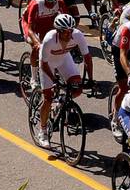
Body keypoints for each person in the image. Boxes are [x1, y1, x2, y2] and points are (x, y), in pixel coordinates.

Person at [36, 14, 93, 148]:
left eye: (70, 31)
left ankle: (61, 103)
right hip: (47, 63)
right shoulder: (50, 39)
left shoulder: (78, 35)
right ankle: (42, 131)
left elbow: (88, 58)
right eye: (64, 32)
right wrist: (54, 79)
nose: (68, 35)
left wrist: (90, 80)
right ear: (58, 30)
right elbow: (43, 64)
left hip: (63, 59)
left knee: (77, 88)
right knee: (48, 98)